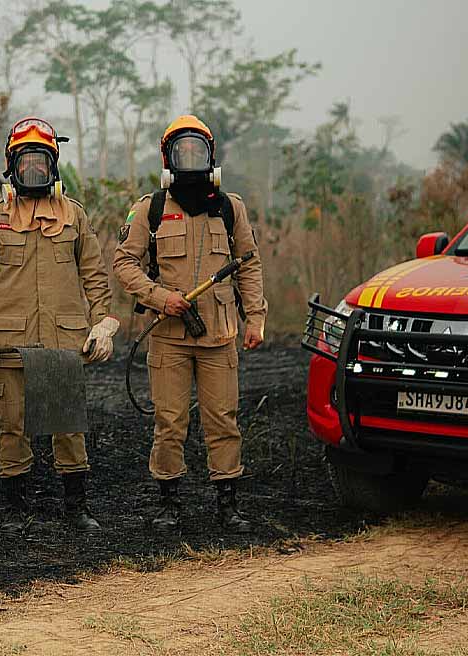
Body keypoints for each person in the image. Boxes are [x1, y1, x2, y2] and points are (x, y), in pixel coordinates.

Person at [0, 117, 117, 535]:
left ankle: (76, 508)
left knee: (67, 427)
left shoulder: (74, 215)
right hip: (9, 345)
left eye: (41, 161)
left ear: (53, 165)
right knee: (12, 427)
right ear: (12, 165)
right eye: (26, 161)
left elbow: (95, 275)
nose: (33, 169)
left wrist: (103, 322)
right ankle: (15, 510)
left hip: (63, 341)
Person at [112, 114, 266, 534]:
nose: (191, 158)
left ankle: (227, 504)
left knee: (223, 420)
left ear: (211, 156)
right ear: (169, 158)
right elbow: (124, 263)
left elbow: (249, 265)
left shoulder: (231, 208)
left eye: (199, 151)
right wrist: (160, 297)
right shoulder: (151, 209)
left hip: (219, 335)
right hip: (168, 338)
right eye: (183, 151)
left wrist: (255, 318)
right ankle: (169, 503)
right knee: (169, 422)